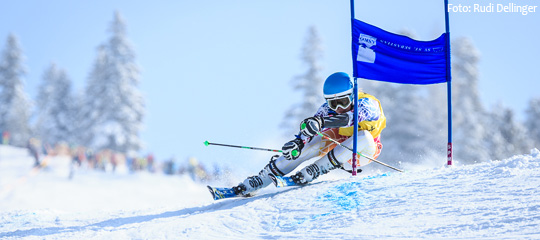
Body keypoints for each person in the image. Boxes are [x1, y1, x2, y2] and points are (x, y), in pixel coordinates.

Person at [231, 72, 386, 196]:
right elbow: (311, 128)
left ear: (352, 95)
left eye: (343, 102)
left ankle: (316, 169)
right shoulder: (326, 109)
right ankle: (261, 180)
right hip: (338, 147)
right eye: (333, 103)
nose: (338, 107)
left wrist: (323, 122)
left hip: (364, 153)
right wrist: (299, 143)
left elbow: (351, 118)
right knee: (316, 139)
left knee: (363, 135)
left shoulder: (368, 103)